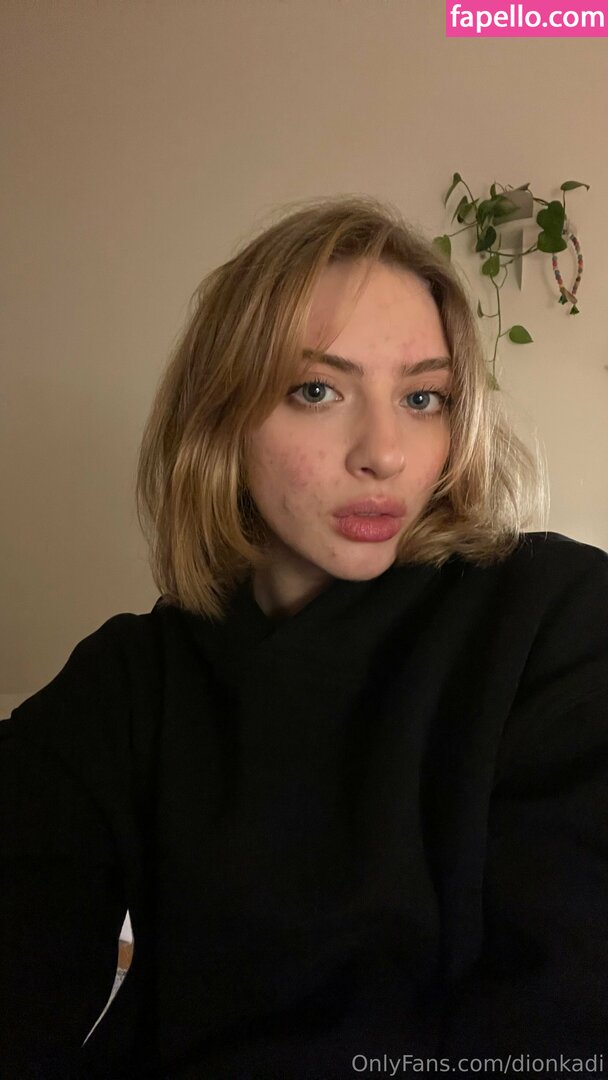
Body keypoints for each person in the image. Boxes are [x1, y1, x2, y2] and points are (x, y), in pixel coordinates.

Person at [1, 196, 607, 1080]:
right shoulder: (132, 681)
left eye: (423, 397)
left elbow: (567, 1012)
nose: (384, 453)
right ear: (221, 415)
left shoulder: (551, 617)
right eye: (317, 390)